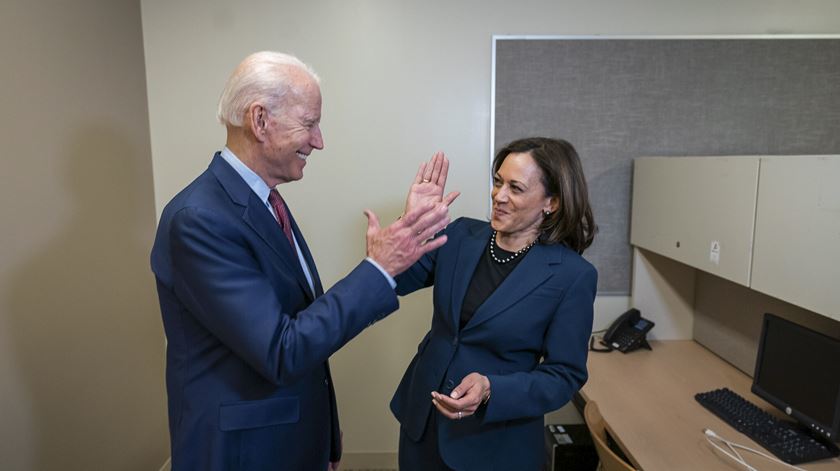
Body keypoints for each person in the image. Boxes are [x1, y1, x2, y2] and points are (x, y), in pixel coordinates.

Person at [150, 51, 455, 471]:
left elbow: (301, 323)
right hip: (243, 453)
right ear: (260, 120)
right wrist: (379, 268)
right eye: (309, 123)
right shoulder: (199, 219)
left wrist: (322, 433)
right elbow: (282, 350)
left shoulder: (265, 201)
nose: (319, 141)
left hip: (288, 440)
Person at [391, 137, 598, 470]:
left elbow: (564, 376)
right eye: (498, 182)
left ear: (552, 202)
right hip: (423, 420)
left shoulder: (572, 276)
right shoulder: (460, 235)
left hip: (493, 441)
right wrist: (410, 225)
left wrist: (492, 389)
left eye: (516, 188)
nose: (499, 196)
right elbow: (396, 282)